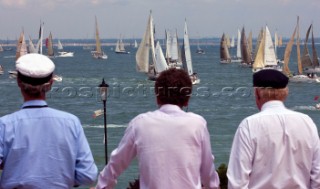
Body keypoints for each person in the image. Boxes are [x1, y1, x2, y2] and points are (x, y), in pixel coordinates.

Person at [94, 68, 220, 189]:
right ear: (187, 100)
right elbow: (207, 171)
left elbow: (117, 162)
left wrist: (102, 186)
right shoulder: (198, 124)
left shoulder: (139, 124)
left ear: (157, 97)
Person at [0, 54, 98, 188]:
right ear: (51, 83)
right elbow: (88, 175)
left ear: (18, 82)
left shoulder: (5, 125)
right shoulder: (71, 123)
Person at [227, 69, 320, 189]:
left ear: (257, 93)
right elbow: (317, 174)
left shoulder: (249, 125)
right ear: (286, 92)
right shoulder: (306, 122)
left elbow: (237, 182)